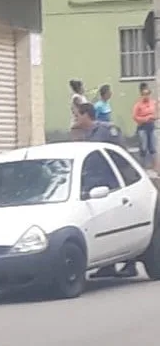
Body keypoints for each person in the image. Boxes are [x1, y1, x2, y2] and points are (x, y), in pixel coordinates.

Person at [73, 103, 138, 278]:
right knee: (106, 225)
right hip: (96, 185)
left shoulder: (108, 130)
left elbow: (120, 154)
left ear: (87, 115)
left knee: (121, 223)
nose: (75, 118)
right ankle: (108, 267)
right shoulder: (85, 134)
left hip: (113, 185)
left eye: (77, 115)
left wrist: (125, 181)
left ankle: (130, 265)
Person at [133, 82, 157, 169]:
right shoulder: (138, 105)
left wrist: (154, 117)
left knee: (153, 147)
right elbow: (135, 117)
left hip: (151, 127)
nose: (146, 96)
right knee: (143, 147)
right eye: (144, 94)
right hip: (142, 127)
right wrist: (145, 119)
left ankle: (155, 167)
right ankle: (143, 166)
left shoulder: (153, 103)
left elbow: (156, 113)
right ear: (141, 94)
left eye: (148, 94)